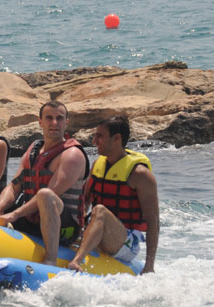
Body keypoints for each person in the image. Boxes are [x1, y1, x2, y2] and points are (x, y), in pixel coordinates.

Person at [0, 100, 89, 266]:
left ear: (66, 122)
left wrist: (13, 215)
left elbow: (51, 193)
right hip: (31, 220)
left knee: (46, 195)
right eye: (49, 118)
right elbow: (14, 186)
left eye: (59, 118)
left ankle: (50, 260)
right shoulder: (33, 150)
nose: (54, 123)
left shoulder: (72, 155)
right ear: (40, 122)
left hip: (64, 228)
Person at [67, 116, 159, 275]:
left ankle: (77, 261)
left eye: (99, 136)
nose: (94, 141)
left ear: (117, 139)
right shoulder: (97, 165)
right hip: (97, 231)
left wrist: (149, 266)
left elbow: (153, 222)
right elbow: (84, 203)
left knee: (100, 211)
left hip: (127, 243)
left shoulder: (140, 174)